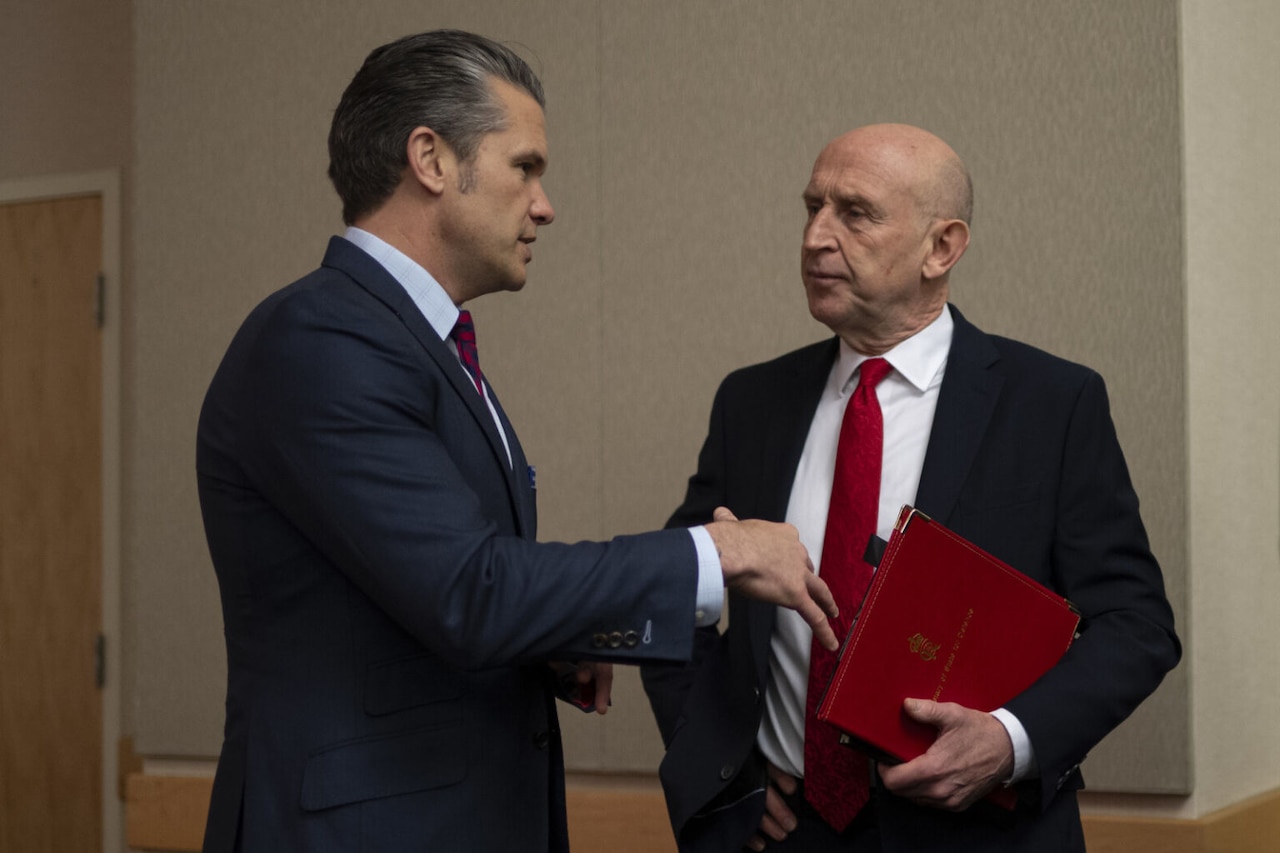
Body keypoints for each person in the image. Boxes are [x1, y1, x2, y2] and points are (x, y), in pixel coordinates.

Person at [195, 30, 838, 853]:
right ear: (430, 159)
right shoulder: (322, 338)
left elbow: (416, 587)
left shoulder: (413, 341)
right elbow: (471, 590)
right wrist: (719, 553)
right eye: (525, 167)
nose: (545, 205)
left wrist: (553, 642)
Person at [640, 123, 1181, 852]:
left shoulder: (1051, 404)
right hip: (786, 834)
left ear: (942, 248)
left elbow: (1136, 625)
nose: (816, 238)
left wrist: (1010, 740)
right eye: (813, 208)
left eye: (855, 213)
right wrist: (718, 766)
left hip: (979, 833)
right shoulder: (753, 403)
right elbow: (676, 590)